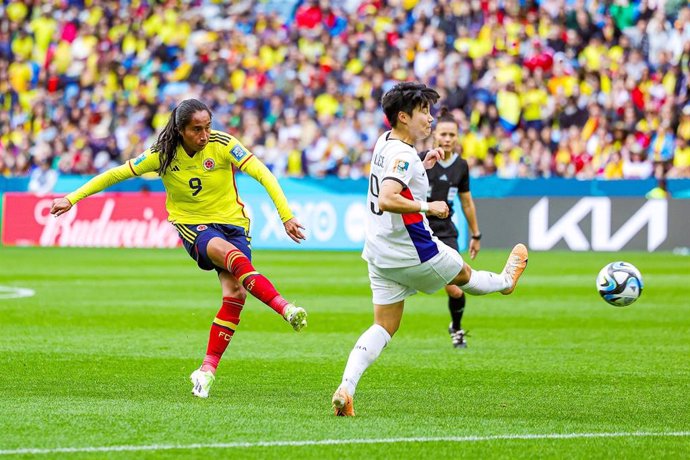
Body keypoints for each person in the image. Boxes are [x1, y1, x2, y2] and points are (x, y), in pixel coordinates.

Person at [50, 99, 308, 399]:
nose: (204, 135)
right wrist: (72, 198)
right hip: (194, 226)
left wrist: (285, 215)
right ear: (181, 130)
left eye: (207, 127)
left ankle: (206, 370)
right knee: (229, 256)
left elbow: (264, 174)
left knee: (235, 293)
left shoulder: (223, 144)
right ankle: (285, 308)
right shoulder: (163, 155)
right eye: (197, 129)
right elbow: (115, 174)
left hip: (234, 224)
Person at [331, 82, 528, 417]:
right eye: (424, 112)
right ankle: (507, 282)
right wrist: (429, 206)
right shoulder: (404, 156)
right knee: (465, 275)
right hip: (415, 251)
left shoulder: (386, 142)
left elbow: (398, 172)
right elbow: (388, 197)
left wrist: (424, 161)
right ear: (404, 117)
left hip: (379, 253)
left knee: (384, 325)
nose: (431, 119)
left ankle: (346, 389)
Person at [421, 107, 481, 348]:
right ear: (434, 135)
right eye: (443, 134)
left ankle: (456, 328)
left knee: (455, 289)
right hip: (420, 227)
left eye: (452, 135)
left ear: (457, 137)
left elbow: (466, 202)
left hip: (445, 231)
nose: (447, 139)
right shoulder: (420, 158)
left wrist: (476, 234)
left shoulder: (461, 166)